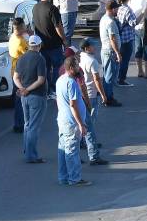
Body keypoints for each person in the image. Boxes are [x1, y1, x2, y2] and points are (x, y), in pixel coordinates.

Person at [55, 56, 91, 186]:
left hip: (62, 120)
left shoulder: (60, 80)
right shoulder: (71, 83)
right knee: (72, 151)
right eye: (76, 66)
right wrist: (81, 124)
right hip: (71, 123)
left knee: (63, 149)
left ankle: (63, 177)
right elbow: (73, 105)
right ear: (71, 68)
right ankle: (75, 178)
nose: (78, 68)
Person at [15, 34, 48, 163]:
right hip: (37, 96)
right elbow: (41, 79)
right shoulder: (40, 59)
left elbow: (15, 77)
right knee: (33, 126)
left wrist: (22, 88)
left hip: (25, 97)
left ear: (29, 45)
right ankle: (31, 155)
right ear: (39, 45)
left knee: (27, 124)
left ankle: (27, 150)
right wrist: (27, 89)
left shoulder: (21, 58)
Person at [77, 38, 110, 166]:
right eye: (92, 46)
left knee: (83, 122)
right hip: (91, 95)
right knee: (89, 124)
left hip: (82, 95)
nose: (95, 47)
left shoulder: (80, 58)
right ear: (86, 48)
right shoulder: (92, 61)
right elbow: (97, 79)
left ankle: (82, 142)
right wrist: (103, 95)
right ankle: (94, 155)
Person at [32, 0, 66, 92]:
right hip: (54, 44)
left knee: (45, 68)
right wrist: (64, 39)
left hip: (41, 45)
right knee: (57, 67)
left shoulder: (35, 7)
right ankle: (55, 88)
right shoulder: (52, 9)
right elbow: (58, 27)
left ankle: (46, 90)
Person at [99, 0, 123, 107]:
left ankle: (105, 95)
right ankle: (108, 99)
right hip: (110, 51)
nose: (118, 10)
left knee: (106, 75)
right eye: (117, 8)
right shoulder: (111, 22)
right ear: (113, 9)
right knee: (110, 76)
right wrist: (117, 53)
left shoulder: (103, 18)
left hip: (105, 51)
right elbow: (112, 39)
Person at [8, 17, 30, 133]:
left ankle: (19, 123)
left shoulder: (12, 37)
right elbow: (30, 55)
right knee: (22, 99)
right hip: (22, 74)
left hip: (15, 71)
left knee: (18, 98)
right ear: (22, 27)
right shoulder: (21, 42)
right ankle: (20, 124)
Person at [115, 0, 137, 86]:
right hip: (127, 39)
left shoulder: (118, 8)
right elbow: (133, 23)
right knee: (125, 60)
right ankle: (121, 80)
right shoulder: (128, 10)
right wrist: (142, 14)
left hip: (119, 38)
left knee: (119, 59)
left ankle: (116, 78)